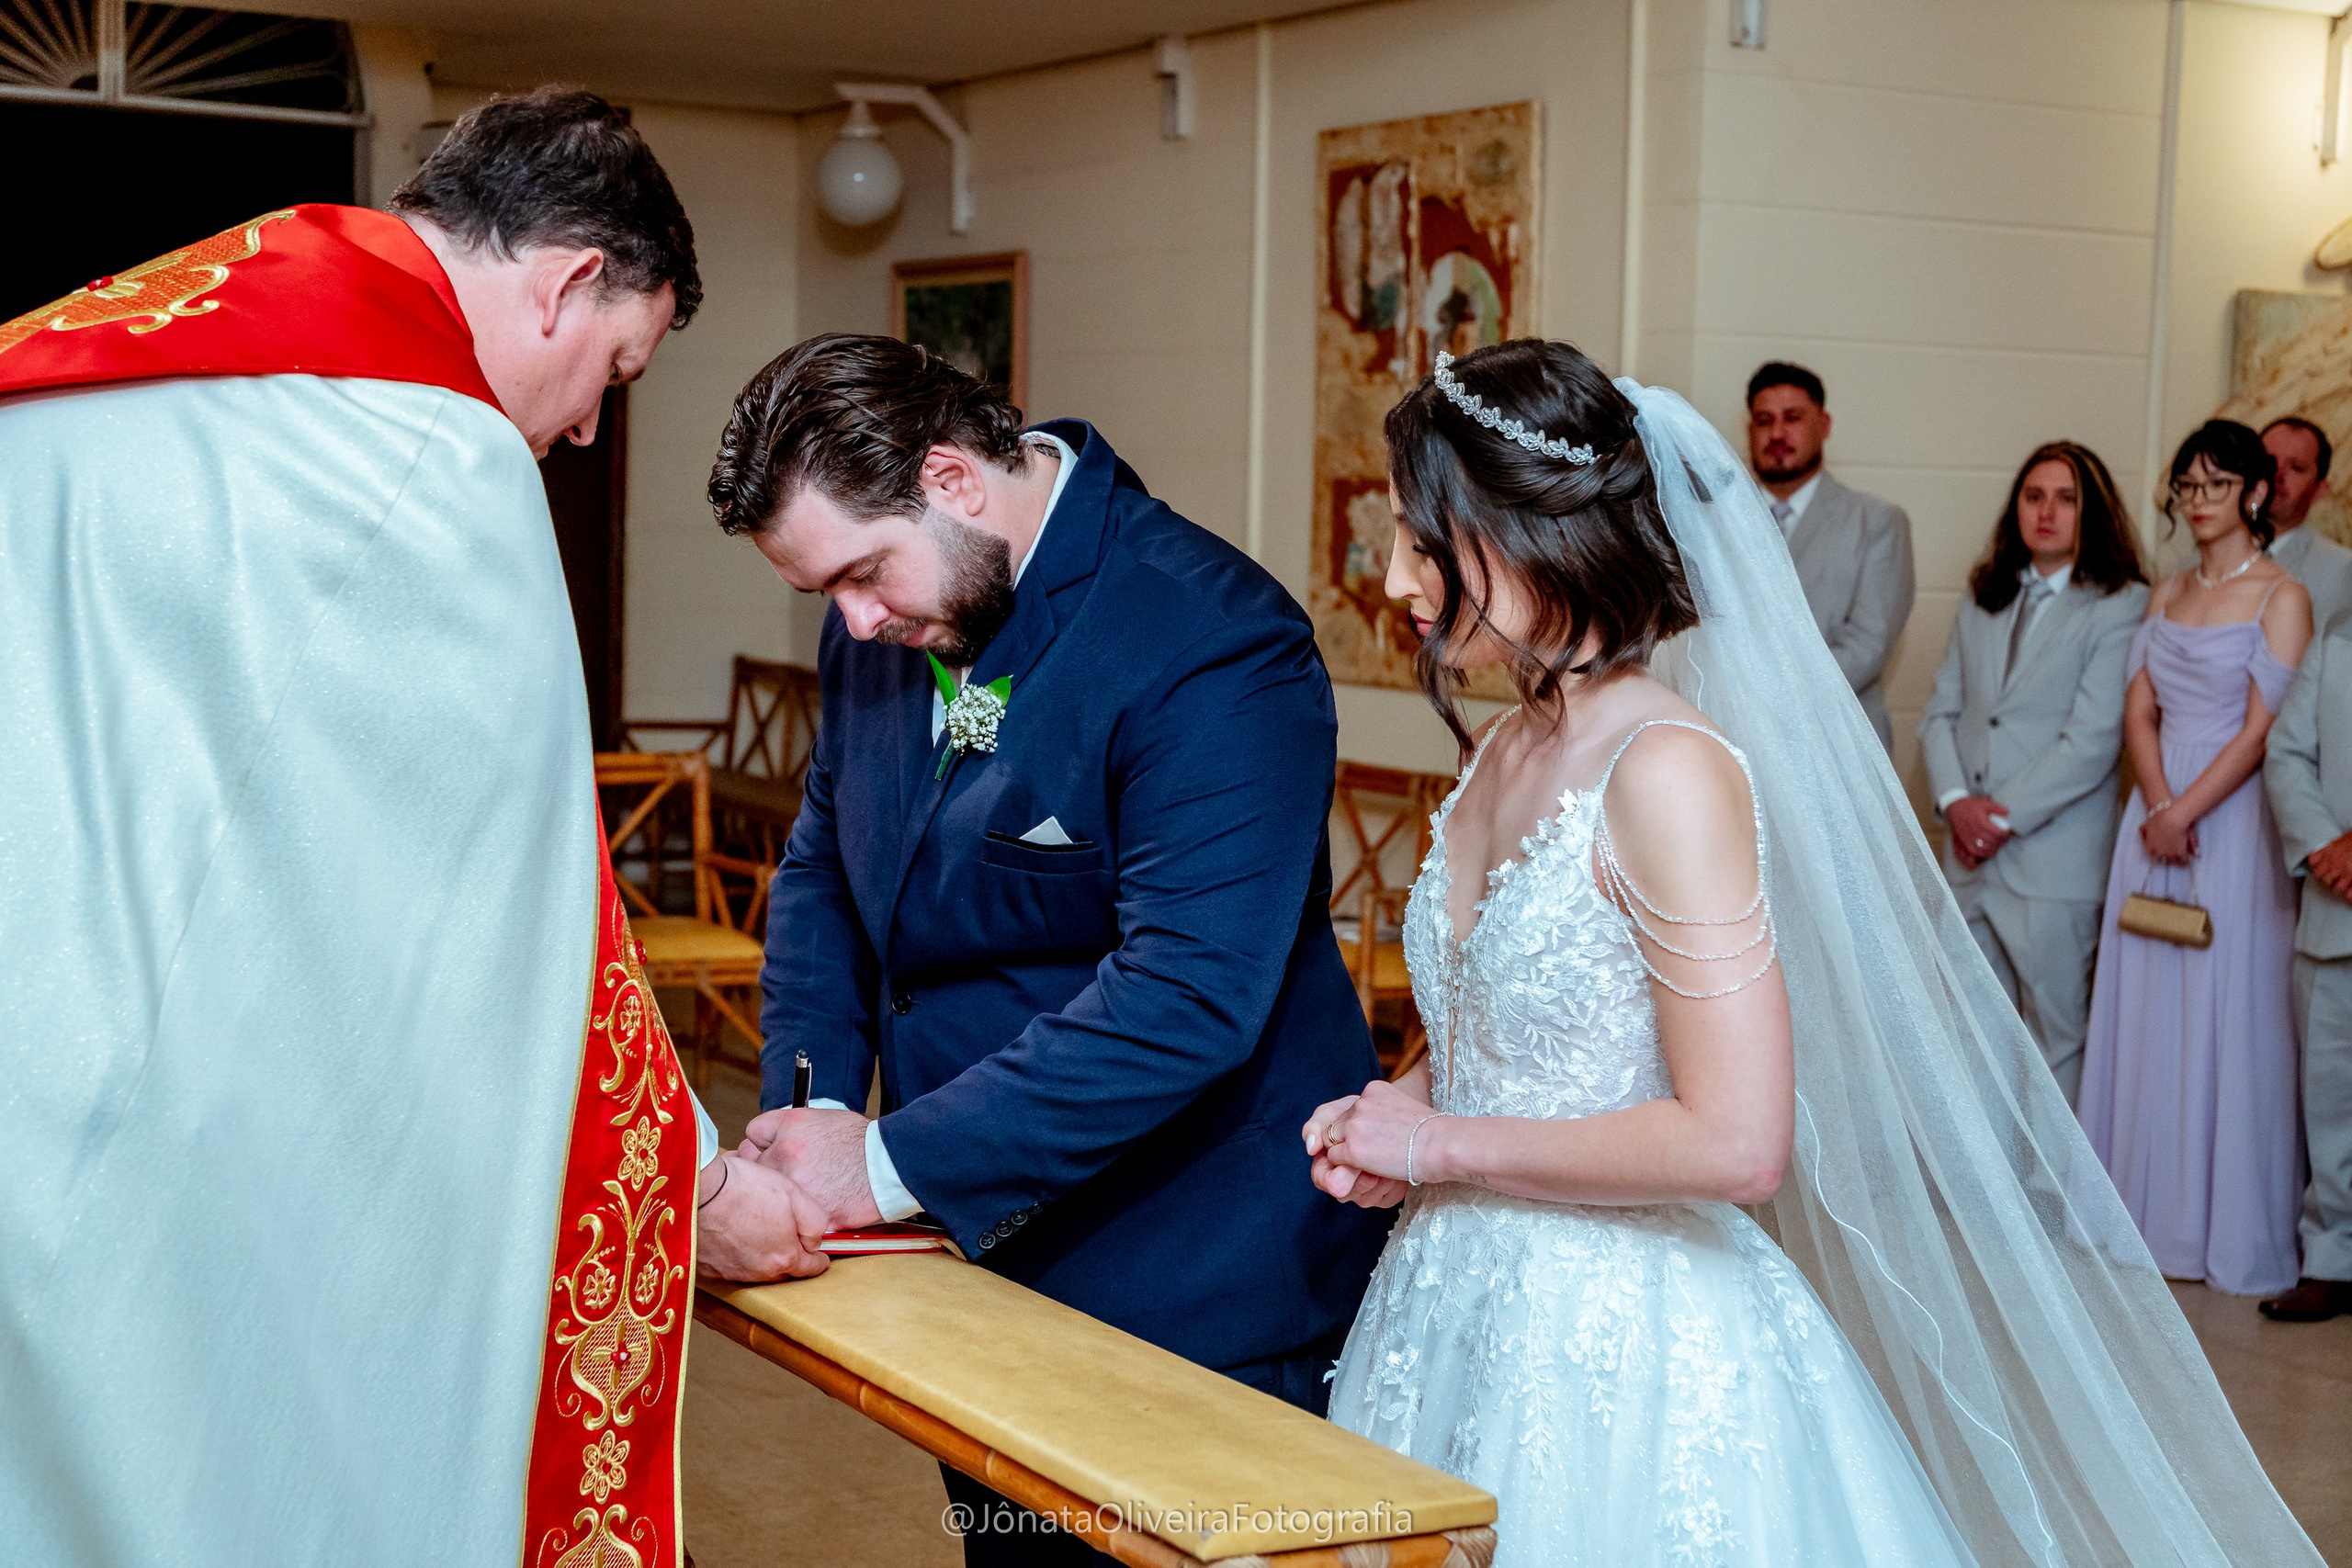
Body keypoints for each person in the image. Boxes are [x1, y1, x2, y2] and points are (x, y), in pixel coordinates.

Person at [1306, 340, 2322, 1566]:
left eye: (1426, 536)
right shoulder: (1506, 744)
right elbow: (1514, 1024)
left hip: (1622, 1341)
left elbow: (1739, 1139)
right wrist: (1399, 1102)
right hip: (1453, 1295)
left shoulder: (1666, 770)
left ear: (1530, 531)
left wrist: (1439, 1143)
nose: (1398, 572)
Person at [0, 89, 829, 1568]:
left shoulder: (111, 357)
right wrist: (697, 1186)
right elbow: (510, 929)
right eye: (612, 371)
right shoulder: (434, 461)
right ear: (570, 276)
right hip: (159, 1149)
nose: (581, 428)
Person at [706, 334, 1392, 1568]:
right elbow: (825, 865)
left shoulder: (1209, 640)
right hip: (977, 1253)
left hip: (1191, 1280)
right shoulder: (883, 622)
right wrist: (804, 1120)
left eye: (863, 573)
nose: (855, 621)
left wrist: (887, 1161)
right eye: (827, 596)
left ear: (955, 479)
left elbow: (1185, 995)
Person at [2078, 420, 2313, 1297]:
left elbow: (2261, 729)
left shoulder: (2281, 595)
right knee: (2144, 1010)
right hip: (2153, 818)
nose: (2200, 500)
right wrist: (2156, 802)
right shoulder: (2166, 590)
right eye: (2188, 485)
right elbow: (2139, 708)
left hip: (2231, 824)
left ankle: (2219, 1224)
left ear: (2255, 493)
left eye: (2218, 485)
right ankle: (2141, 1217)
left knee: (2228, 1010)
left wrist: (2186, 809)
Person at [1919, 442, 2150, 1102]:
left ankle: (2050, 1202)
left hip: (2053, 860)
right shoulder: (1983, 591)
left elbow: (2093, 738)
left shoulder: (2121, 602)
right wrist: (1958, 801)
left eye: (2067, 497)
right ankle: (1978, 1196)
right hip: (1968, 851)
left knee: (2055, 1039)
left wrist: (1999, 816)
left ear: (2093, 511)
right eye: (2034, 495)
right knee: (1965, 1030)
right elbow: (1941, 712)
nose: (2047, 511)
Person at [1746, 360, 1915, 750]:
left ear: (1824, 425)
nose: (1777, 433)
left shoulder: (1876, 522)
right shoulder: (1715, 520)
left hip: (1840, 744)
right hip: (1738, 744)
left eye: (1793, 418)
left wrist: (1765, 700)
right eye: (1764, 420)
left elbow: (1867, 645)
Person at [2261, 611, 2352, 1321]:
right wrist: (2325, 842)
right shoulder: (2339, 638)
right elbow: (2287, 752)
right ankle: (2331, 1258)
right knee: (2329, 1102)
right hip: (2334, 912)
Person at [2260, 415, 2352, 631]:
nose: (2278, 475)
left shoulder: (2340, 570)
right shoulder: (2210, 555)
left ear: (2320, 490)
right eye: (2268, 462)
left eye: (2296, 467)